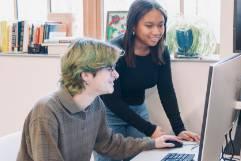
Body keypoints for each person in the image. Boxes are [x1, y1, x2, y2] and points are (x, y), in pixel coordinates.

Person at [17, 38, 179, 161]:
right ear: (86, 75)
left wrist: (154, 143)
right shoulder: (46, 112)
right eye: (110, 69)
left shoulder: (94, 103)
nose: (116, 75)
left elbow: (109, 144)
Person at [95, 0, 200, 161]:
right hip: (109, 113)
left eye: (161, 25)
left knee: (144, 157)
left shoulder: (161, 51)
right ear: (133, 26)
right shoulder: (113, 51)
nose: (157, 31)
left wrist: (179, 129)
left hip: (138, 111)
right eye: (149, 25)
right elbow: (112, 100)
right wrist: (150, 129)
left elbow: (166, 91)